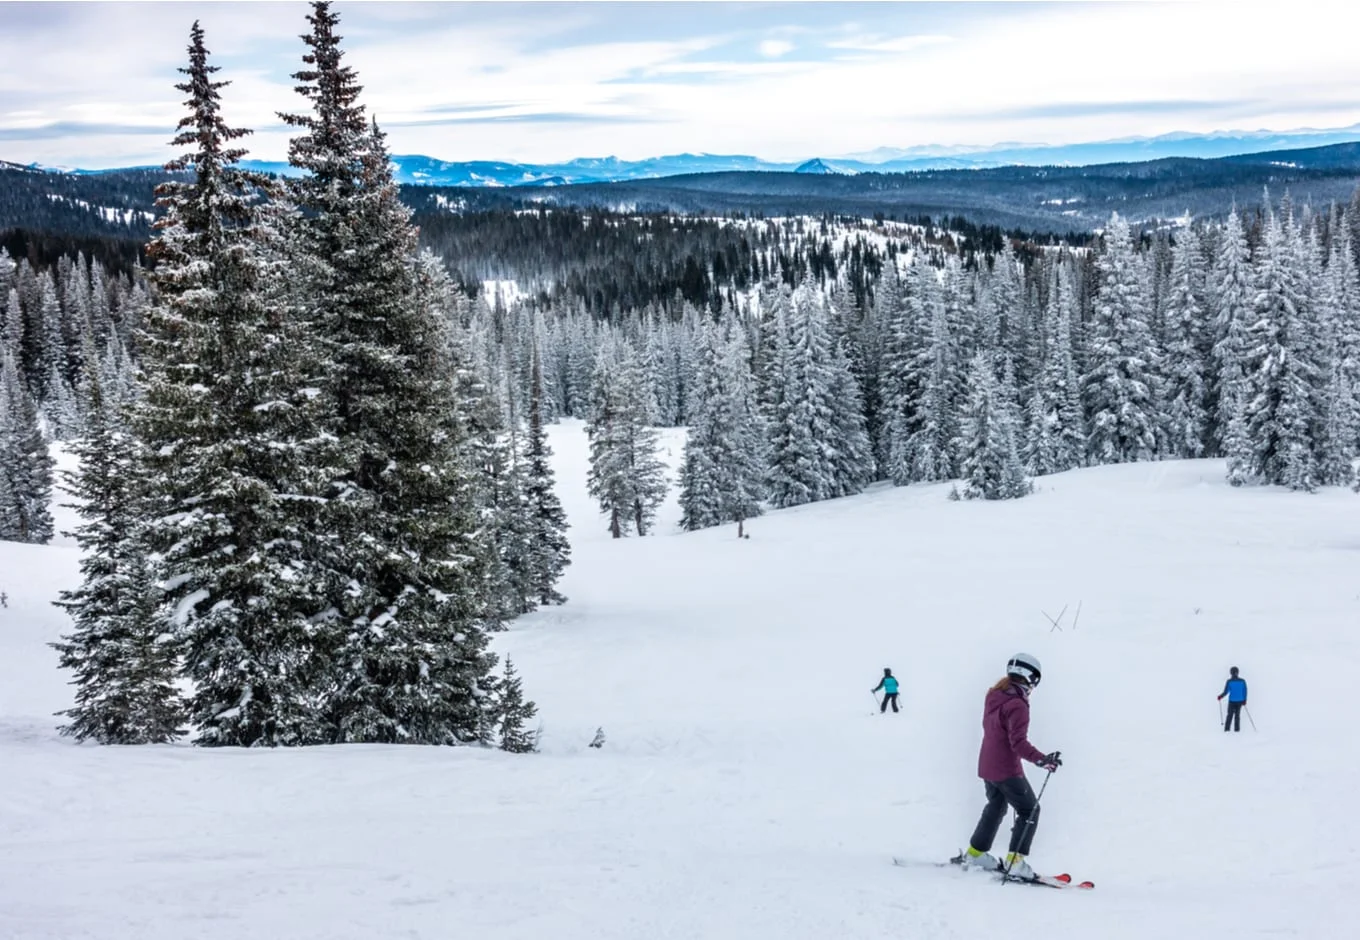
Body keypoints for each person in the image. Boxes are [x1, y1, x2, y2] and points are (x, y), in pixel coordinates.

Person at [957, 653, 1062, 882]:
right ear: (1030, 677)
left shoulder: (995, 695)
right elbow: (1018, 743)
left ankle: (976, 854)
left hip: (987, 764)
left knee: (996, 804)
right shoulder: (1018, 704)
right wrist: (1042, 759)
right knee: (1030, 810)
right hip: (1005, 768)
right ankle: (1015, 862)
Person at [1217, 667, 1247, 732]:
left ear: (1231, 673)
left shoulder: (1229, 681)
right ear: (1237, 672)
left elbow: (1226, 692)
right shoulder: (1242, 681)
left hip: (1232, 701)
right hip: (1240, 701)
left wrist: (1220, 696)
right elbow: (1245, 691)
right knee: (1237, 716)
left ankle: (1227, 730)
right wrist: (1244, 700)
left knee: (1229, 715)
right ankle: (1237, 730)